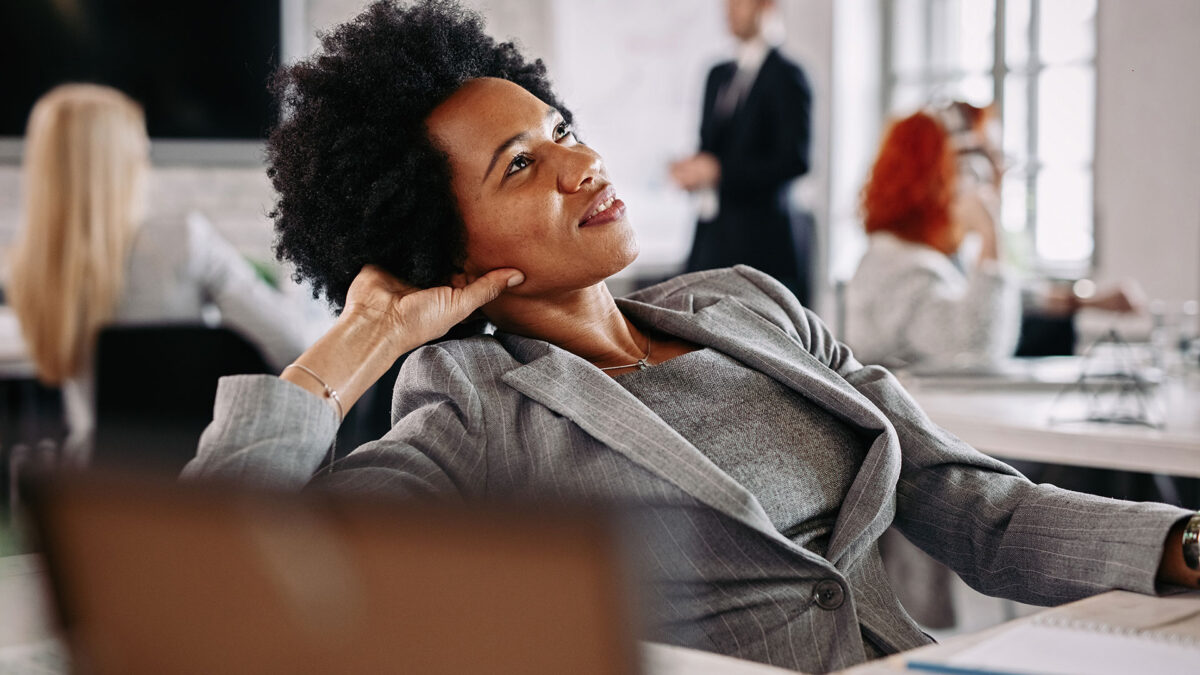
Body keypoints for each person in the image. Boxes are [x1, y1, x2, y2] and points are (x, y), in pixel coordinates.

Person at [184, 2, 1199, 672]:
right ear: (438, 245)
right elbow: (213, 587)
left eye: (562, 126)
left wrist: (1188, 547)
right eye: (519, 166)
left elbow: (980, 510)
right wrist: (364, 335)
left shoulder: (754, 305)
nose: (579, 161)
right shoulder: (472, 411)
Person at [6, 84, 310, 459]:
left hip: (89, 488)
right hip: (189, 480)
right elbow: (294, 345)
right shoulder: (183, 240)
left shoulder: (28, 265)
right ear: (126, 163)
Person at [845, 107, 1142, 369]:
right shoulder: (901, 270)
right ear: (946, 174)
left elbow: (1014, 295)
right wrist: (990, 234)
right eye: (988, 159)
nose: (998, 175)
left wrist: (1091, 301)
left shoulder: (913, 256)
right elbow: (978, 350)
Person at [669, 0, 814, 305]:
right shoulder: (717, 74)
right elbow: (709, 146)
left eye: (740, 2)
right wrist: (692, 170)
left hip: (762, 243)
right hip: (712, 234)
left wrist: (720, 170)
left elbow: (795, 160)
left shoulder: (788, 76)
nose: (730, 9)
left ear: (766, 6)